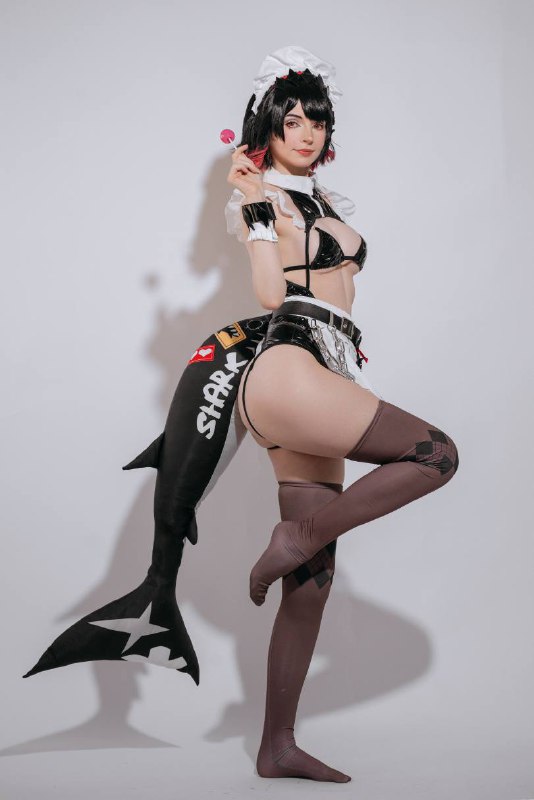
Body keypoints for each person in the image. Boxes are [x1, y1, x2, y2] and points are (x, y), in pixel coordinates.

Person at [223, 45, 459, 783]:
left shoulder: (322, 200)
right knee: (436, 453)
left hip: (320, 372)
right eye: (290, 120)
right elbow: (270, 295)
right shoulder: (261, 195)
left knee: (312, 581)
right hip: (289, 365)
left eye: (316, 120)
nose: (306, 132)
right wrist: (255, 205)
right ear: (267, 126)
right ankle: (296, 535)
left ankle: (277, 746)